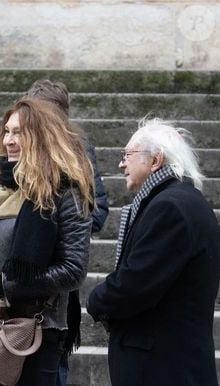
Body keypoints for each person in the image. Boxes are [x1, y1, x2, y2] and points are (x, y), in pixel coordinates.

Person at [0, 98, 94, 386]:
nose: (9, 141)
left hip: (37, 328)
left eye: (19, 133)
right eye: (7, 132)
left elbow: (74, 270)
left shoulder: (66, 195)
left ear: (41, 137)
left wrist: (7, 285)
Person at [87, 119, 220, 386]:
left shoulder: (169, 208)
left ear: (156, 160)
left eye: (127, 155)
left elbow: (135, 283)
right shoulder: (184, 201)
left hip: (163, 367)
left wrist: (96, 300)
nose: (121, 164)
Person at [25, 79, 109, 385]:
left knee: (53, 366)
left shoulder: (79, 149)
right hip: (16, 283)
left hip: (57, 282)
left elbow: (98, 211)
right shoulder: (17, 144)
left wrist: (62, 222)